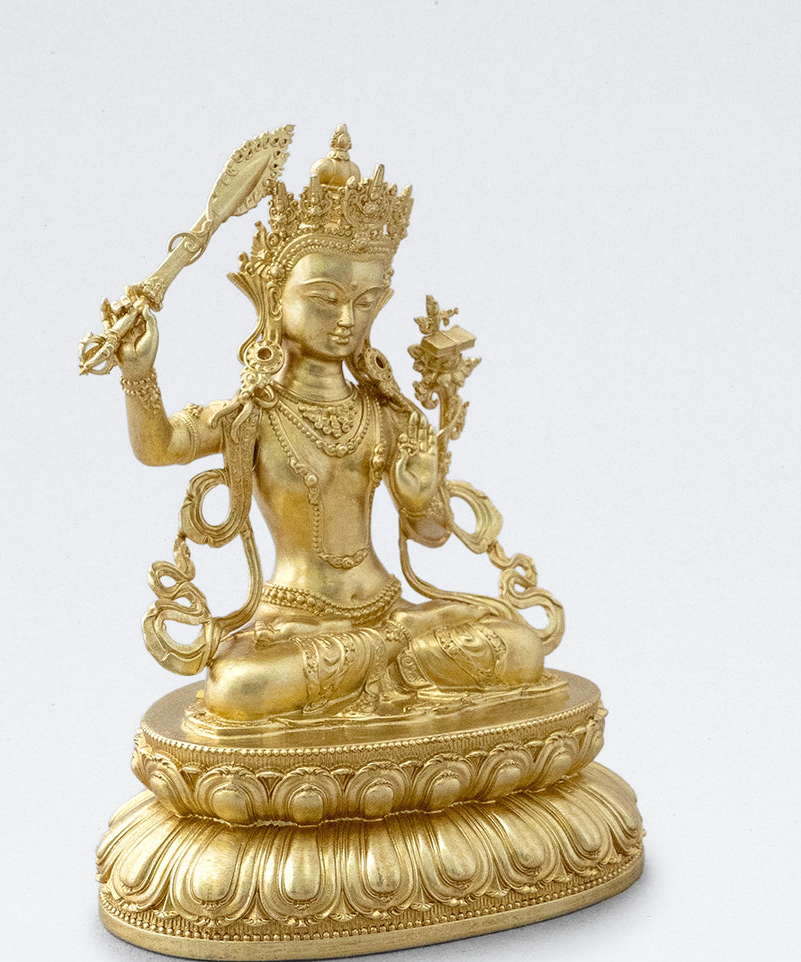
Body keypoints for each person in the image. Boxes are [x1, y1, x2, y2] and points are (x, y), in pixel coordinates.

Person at [114, 128, 545, 722]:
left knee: (519, 645)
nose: (347, 319)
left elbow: (432, 534)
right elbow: (159, 446)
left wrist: (421, 498)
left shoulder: (385, 411)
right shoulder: (253, 413)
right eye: (325, 298)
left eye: (365, 303)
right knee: (240, 686)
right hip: (296, 623)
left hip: (389, 611)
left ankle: (376, 661)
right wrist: (139, 374)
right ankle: (381, 664)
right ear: (274, 298)